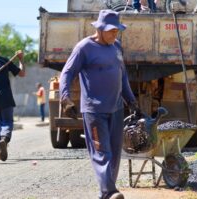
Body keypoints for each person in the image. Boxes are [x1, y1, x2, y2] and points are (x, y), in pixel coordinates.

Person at [59, 10, 140, 199]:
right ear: (100, 29)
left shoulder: (117, 47)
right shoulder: (84, 48)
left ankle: (106, 194)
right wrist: (65, 98)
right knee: (101, 152)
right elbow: (67, 73)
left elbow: (123, 75)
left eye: (117, 31)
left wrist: (131, 100)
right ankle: (110, 191)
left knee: (115, 154)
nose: (115, 34)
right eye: (111, 30)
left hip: (117, 108)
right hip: (94, 111)